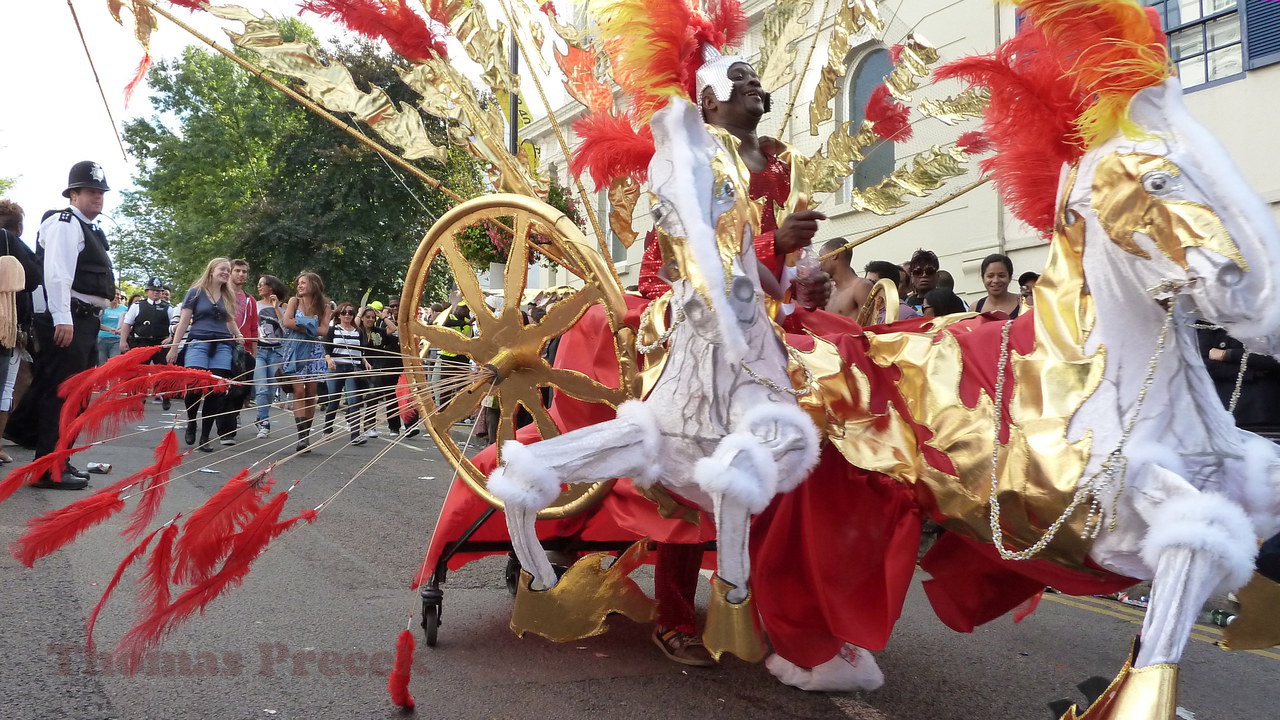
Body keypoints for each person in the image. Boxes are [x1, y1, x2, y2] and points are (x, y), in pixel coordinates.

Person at [14, 161, 118, 489]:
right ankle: (48, 468)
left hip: (83, 321)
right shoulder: (65, 223)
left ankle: (60, 461)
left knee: (77, 396)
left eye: (100, 191)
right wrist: (63, 318)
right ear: (73, 194)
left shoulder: (88, 227)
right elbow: (57, 274)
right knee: (62, 395)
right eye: (90, 190)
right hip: (70, 319)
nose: (97, 197)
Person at [167, 258, 243, 451]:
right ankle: (192, 421)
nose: (226, 272)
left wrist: (239, 335)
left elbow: (230, 320)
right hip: (198, 342)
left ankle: (205, 436)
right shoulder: (195, 293)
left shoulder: (229, 295)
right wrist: (174, 347)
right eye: (222, 269)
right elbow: (184, 322)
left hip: (223, 344)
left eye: (228, 270)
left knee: (216, 390)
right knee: (194, 386)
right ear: (211, 270)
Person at [0, 199, 42, 464]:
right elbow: (34, 277)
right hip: (6, 326)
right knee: (6, 387)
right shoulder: (10, 242)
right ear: (20, 227)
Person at [280, 272, 330, 453]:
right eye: (298, 283)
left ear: (314, 285)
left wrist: (301, 324)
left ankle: (306, 436)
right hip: (294, 350)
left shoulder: (324, 306)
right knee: (299, 390)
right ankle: (301, 435)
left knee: (311, 392)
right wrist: (309, 326)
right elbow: (287, 322)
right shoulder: (294, 301)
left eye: (303, 283)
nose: (299, 286)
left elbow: (323, 330)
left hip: (315, 351)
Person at [321, 302, 373, 445]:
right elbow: (326, 349)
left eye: (350, 312)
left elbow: (360, 350)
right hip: (336, 368)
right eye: (344, 312)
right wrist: (329, 360)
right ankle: (327, 429)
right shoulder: (333, 330)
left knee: (354, 401)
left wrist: (365, 361)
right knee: (334, 400)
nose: (347, 315)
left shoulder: (358, 332)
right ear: (338, 315)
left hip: (353, 368)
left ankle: (355, 435)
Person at [224, 259, 258, 436]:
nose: (241, 274)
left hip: (243, 349)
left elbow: (253, 328)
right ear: (230, 272)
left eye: (244, 271)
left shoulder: (250, 300)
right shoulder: (221, 295)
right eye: (237, 270)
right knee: (222, 387)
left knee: (241, 388)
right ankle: (223, 423)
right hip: (222, 345)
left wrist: (254, 353)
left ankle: (233, 416)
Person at [253, 275, 289, 438]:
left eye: (262, 284)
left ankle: (260, 418)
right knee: (261, 387)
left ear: (271, 287)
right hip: (259, 350)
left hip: (277, 352)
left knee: (271, 389)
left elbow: (286, 331)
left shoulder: (285, 307)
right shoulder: (254, 305)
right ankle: (265, 423)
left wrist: (276, 309)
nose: (259, 287)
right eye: (258, 284)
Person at [366, 298, 403, 437]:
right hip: (365, 366)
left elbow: (393, 329)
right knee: (367, 397)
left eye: (372, 317)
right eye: (367, 317)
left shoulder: (379, 330)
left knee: (389, 395)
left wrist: (383, 316)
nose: (370, 319)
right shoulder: (360, 331)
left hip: (386, 365)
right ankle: (362, 425)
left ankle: (394, 427)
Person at [120, 276, 175, 358]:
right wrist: (123, 341)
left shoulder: (169, 308)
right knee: (138, 369)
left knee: (161, 369)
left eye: (158, 291)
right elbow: (127, 324)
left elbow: (175, 325)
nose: (155, 292)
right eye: (153, 290)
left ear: (161, 292)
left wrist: (170, 338)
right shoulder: (136, 306)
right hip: (140, 343)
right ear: (147, 291)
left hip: (161, 343)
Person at [819, 239, 872, 319]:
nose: (818, 263)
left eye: (821, 257)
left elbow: (869, 327)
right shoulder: (828, 292)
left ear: (834, 254)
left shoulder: (861, 287)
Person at [438, 298, 474, 411]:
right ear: (456, 308)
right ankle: (443, 409)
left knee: (463, 386)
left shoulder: (469, 324)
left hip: (463, 358)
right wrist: (464, 322)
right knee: (446, 386)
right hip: (449, 357)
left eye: (467, 308)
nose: (464, 310)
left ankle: (459, 411)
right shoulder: (450, 318)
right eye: (462, 307)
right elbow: (443, 322)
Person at [973, 253, 1022, 318]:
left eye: (1001, 276)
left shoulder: (1023, 303)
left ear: (1010, 277)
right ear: (983, 278)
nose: (995, 280)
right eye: (990, 276)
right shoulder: (975, 308)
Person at [96, 288, 127, 364]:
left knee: (114, 364)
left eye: (118, 294)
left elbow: (128, 323)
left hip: (117, 340)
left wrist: (121, 331)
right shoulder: (102, 308)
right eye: (114, 294)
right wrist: (110, 329)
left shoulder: (124, 309)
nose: (116, 296)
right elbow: (97, 323)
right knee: (102, 364)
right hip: (102, 339)